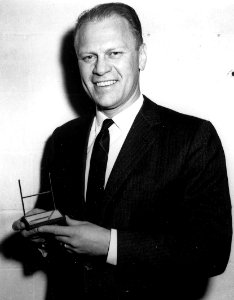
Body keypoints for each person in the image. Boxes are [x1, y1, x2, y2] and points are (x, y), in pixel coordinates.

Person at [12, 2, 232, 299]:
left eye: (115, 53)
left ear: (141, 56)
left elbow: (211, 253)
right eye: (88, 56)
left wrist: (110, 245)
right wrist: (43, 235)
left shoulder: (193, 137)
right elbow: (64, 240)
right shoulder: (63, 138)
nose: (100, 68)